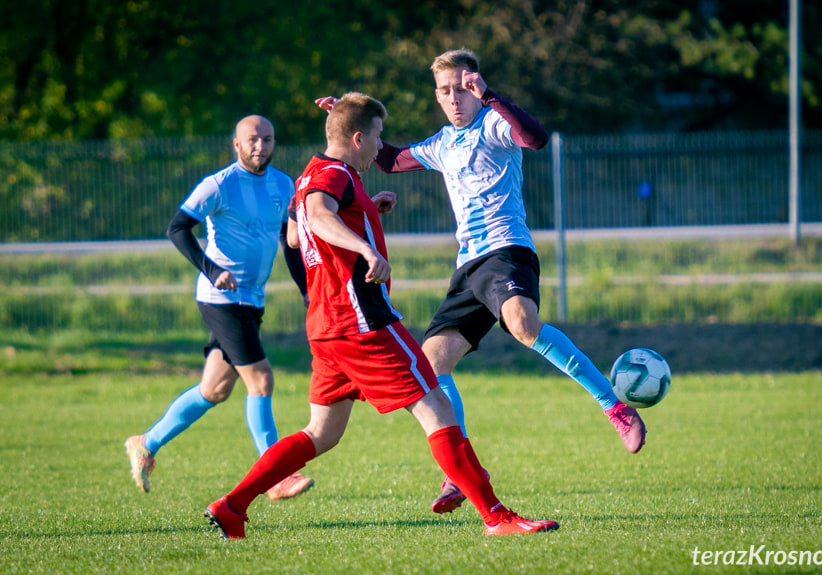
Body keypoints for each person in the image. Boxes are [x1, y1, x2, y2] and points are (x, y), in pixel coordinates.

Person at [203, 93, 559, 539]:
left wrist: (367, 213)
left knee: (321, 433)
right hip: (363, 323)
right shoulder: (333, 175)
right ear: (357, 137)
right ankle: (496, 516)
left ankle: (232, 505)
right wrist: (364, 245)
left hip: (326, 327)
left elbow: (295, 235)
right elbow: (316, 215)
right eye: (377, 137)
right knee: (437, 409)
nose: (380, 147)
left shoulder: (312, 174)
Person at [316, 48, 647, 515]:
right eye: (445, 91)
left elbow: (535, 139)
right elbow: (389, 159)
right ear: (437, 95)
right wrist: (342, 118)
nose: (454, 98)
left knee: (523, 325)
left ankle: (614, 406)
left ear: (474, 85)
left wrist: (491, 97)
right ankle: (463, 471)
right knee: (431, 366)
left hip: (506, 249)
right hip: (469, 266)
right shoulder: (442, 143)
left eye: (461, 88)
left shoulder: (493, 122)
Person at [124, 115, 313, 501]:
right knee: (261, 379)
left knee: (214, 389)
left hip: (252, 300)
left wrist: (306, 289)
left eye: (268, 139)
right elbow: (177, 228)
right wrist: (211, 271)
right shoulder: (219, 184)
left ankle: (146, 442)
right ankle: (276, 476)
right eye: (252, 140)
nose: (261, 146)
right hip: (220, 299)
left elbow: (288, 239)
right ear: (236, 144)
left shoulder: (283, 185)